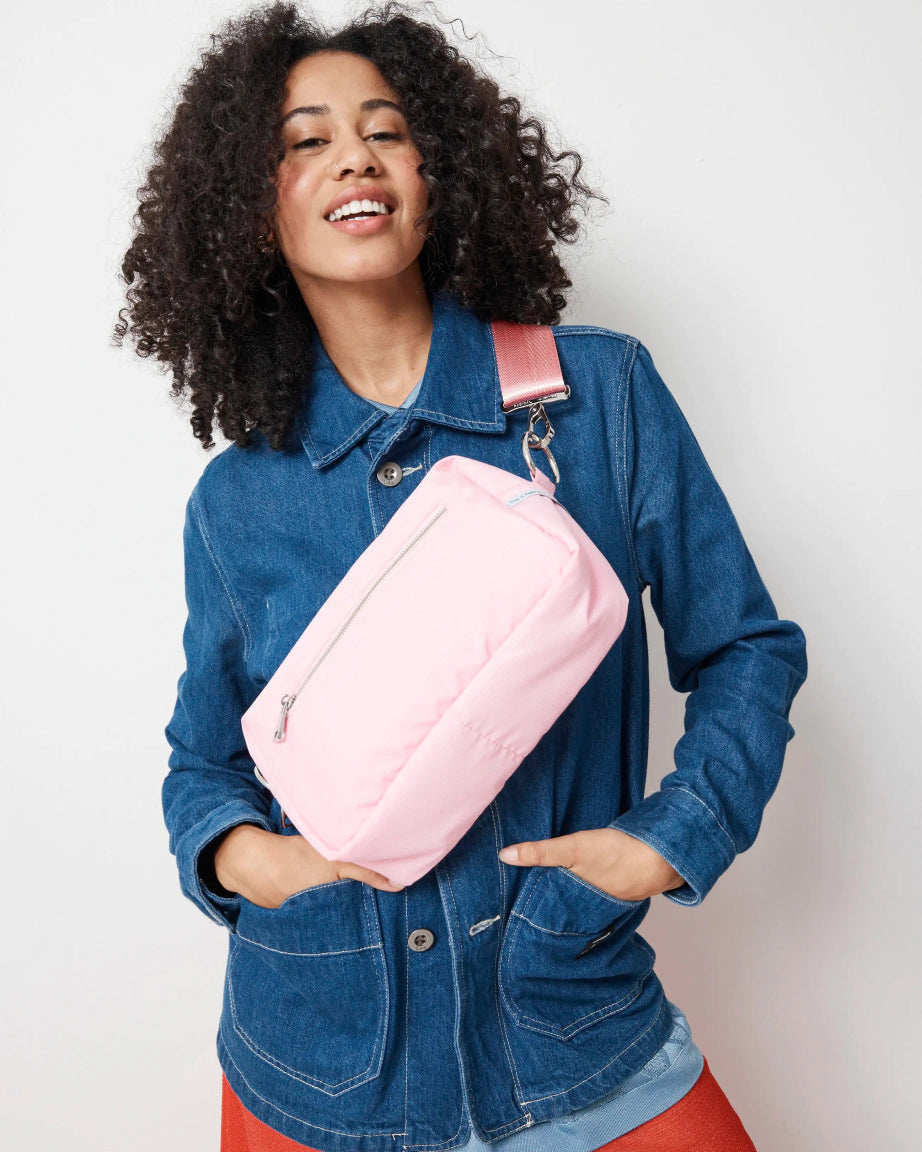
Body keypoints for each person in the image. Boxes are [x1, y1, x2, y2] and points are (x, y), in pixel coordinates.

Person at [115, 3, 807, 1149]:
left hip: (574, 1029)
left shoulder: (597, 397)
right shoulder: (239, 499)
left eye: (387, 129)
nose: (355, 156)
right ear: (251, 209)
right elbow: (205, 760)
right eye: (305, 139)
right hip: (316, 1061)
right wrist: (259, 863)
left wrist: (673, 834)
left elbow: (745, 648)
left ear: (438, 173)